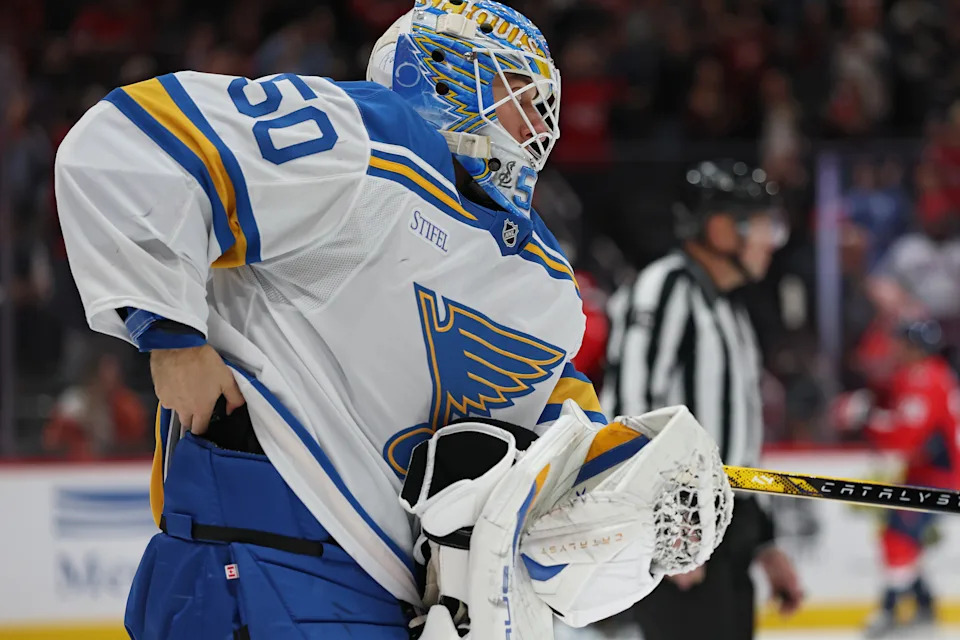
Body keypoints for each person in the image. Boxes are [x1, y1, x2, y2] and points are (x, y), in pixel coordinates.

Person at [54, 2, 731, 638]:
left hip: (400, 604)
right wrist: (171, 338)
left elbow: (550, 431)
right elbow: (133, 140)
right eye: (514, 92)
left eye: (538, 103)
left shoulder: (544, 281)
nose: (537, 123)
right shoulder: (363, 137)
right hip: (258, 553)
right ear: (433, 70)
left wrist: (639, 484)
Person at [601, 160, 804, 640]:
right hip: (681, 530)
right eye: (762, 224)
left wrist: (764, 541)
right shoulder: (665, 287)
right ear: (719, 226)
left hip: (728, 534)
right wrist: (662, 529)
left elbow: (737, 447)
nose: (771, 240)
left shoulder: (728, 307)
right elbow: (629, 412)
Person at [832, 318, 960, 637]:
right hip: (928, 474)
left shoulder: (925, 379)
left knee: (898, 536)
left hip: (941, 478)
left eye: (904, 344)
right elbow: (892, 397)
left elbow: (903, 438)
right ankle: (924, 601)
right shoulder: (922, 375)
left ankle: (891, 609)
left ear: (916, 348)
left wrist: (865, 419)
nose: (897, 349)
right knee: (902, 534)